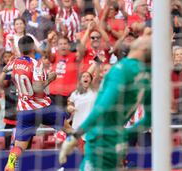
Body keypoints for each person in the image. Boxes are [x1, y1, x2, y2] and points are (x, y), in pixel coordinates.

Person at [59, 36, 152, 171]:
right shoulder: (148, 76)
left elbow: (103, 107)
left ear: (143, 49)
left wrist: (76, 135)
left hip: (100, 140)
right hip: (116, 140)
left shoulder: (122, 68)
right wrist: (125, 134)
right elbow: (149, 120)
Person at [0, 36, 68, 171]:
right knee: (67, 125)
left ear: (20, 49)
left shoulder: (14, 62)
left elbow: (4, 71)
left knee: (19, 145)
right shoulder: (36, 64)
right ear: (33, 48)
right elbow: (37, 88)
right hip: (42, 106)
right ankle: (76, 150)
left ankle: (11, 163)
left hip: (24, 110)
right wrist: (50, 78)